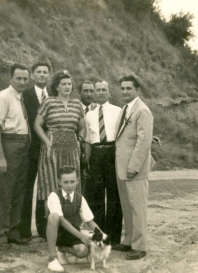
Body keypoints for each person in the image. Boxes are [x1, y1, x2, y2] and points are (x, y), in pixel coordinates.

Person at [0, 63, 31, 247]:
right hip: (9, 145)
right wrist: (0, 157)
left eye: (25, 78)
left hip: (24, 146)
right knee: (4, 192)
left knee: (19, 192)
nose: (22, 81)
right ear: (10, 78)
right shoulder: (3, 97)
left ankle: (13, 231)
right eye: (19, 78)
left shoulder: (22, 98)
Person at [112, 75, 153, 260]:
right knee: (127, 206)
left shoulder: (142, 110)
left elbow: (144, 141)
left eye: (129, 88)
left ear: (137, 89)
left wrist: (134, 166)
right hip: (122, 167)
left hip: (133, 169)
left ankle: (140, 246)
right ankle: (129, 241)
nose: (125, 91)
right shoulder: (125, 109)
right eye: (122, 88)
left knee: (137, 208)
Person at [34, 70, 86, 210]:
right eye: (63, 84)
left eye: (69, 84)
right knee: (50, 183)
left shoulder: (76, 104)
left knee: (70, 183)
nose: (67, 86)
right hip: (52, 145)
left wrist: (79, 140)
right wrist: (47, 141)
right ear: (56, 86)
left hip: (70, 144)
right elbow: (37, 125)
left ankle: (70, 223)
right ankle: (50, 224)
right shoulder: (49, 102)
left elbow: (82, 128)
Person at [83, 80, 123, 246]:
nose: (100, 93)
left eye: (103, 90)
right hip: (96, 154)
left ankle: (113, 237)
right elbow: (87, 139)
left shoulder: (118, 111)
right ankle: (98, 236)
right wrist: (86, 160)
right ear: (94, 93)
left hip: (112, 152)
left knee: (114, 196)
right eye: (97, 90)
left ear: (109, 92)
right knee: (95, 196)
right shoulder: (89, 114)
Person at [46, 166, 101, 272]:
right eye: (65, 182)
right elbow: (60, 220)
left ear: (77, 181)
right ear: (59, 182)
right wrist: (81, 236)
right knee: (54, 216)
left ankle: (62, 249)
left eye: (72, 181)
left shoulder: (80, 198)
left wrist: (102, 236)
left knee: (83, 251)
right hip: (56, 231)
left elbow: (89, 221)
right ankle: (52, 258)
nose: (69, 185)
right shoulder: (54, 195)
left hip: (72, 232)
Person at [20, 62, 52, 240]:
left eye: (45, 72)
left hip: (49, 149)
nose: (41, 75)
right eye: (38, 72)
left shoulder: (53, 95)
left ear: (48, 75)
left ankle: (44, 228)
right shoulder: (25, 94)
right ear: (33, 75)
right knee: (27, 188)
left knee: (46, 189)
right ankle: (24, 231)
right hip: (31, 148)